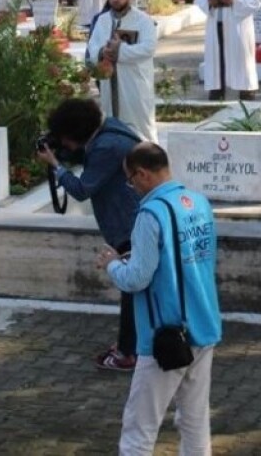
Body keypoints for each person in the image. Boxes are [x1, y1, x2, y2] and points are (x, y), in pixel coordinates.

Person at [97, 141, 221, 454]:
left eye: (130, 179)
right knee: (195, 419)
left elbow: (136, 279)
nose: (131, 186)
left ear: (142, 175)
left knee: (139, 427)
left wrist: (112, 263)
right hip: (203, 325)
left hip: (165, 334)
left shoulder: (150, 214)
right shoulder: (198, 202)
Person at [38, 98, 142, 373]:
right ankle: (133, 345)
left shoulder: (108, 146)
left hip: (129, 225)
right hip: (132, 220)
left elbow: (83, 189)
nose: (66, 145)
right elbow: (88, 154)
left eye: (66, 139)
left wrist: (55, 165)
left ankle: (128, 352)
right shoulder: (111, 129)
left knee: (131, 288)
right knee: (136, 288)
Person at [86, 0, 158, 142]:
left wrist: (120, 51)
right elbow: (92, 47)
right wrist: (103, 52)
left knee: (140, 127)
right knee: (111, 124)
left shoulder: (143, 20)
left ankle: (148, 158)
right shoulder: (103, 20)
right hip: (109, 83)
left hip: (135, 83)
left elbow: (148, 48)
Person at [195, 0, 261, 102]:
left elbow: (256, 1)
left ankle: (246, 93)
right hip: (216, 23)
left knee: (240, 60)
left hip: (236, 25)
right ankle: (217, 92)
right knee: (217, 60)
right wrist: (210, 3)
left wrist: (234, 0)